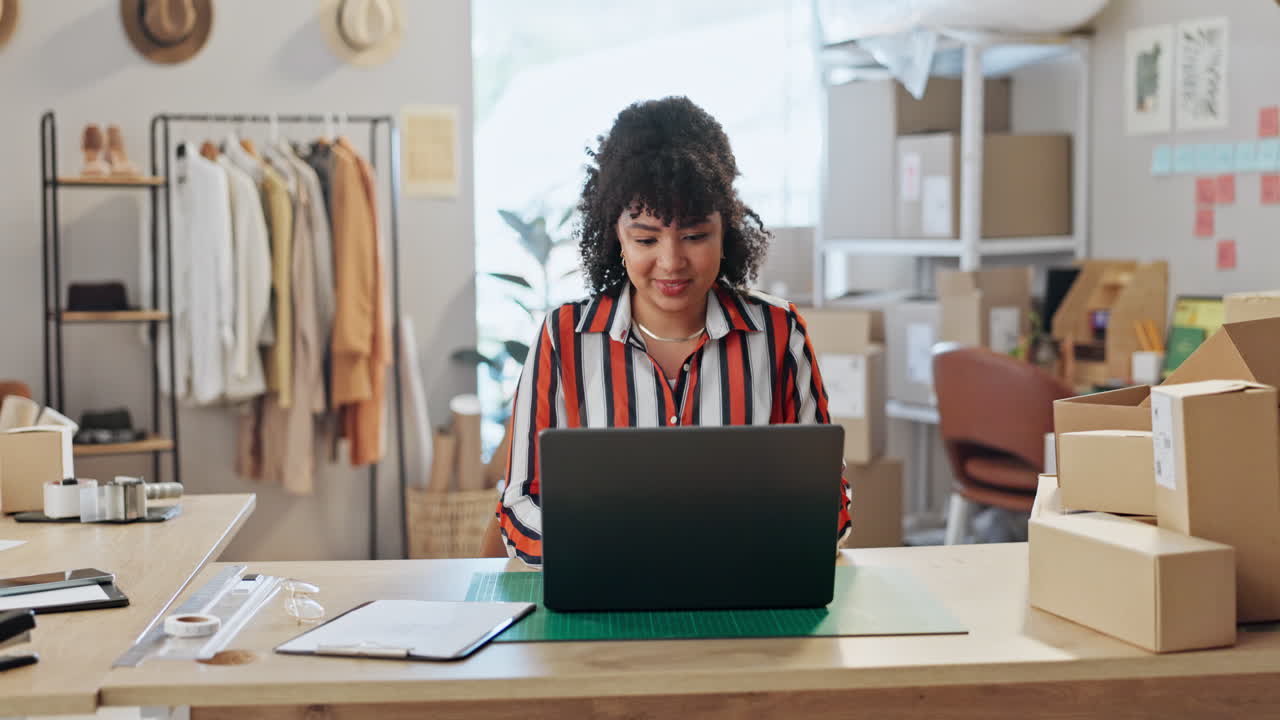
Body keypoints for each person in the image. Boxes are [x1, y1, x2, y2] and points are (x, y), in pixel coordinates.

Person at [491, 96, 851, 566]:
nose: (671, 262)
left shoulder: (778, 333)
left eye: (696, 236)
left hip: (745, 594)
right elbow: (520, 504)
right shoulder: (563, 339)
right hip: (604, 599)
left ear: (727, 232)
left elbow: (830, 502)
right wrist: (616, 555)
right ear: (615, 235)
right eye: (645, 238)